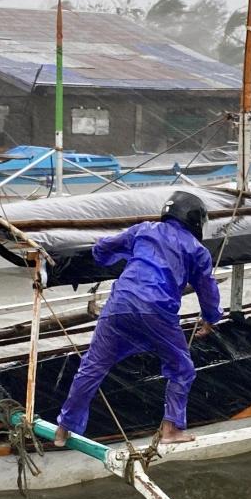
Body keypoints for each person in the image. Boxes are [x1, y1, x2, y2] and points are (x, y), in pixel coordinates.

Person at [54, 191, 221, 446]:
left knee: (92, 367)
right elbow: (207, 288)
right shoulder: (197, 250)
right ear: (196, 220)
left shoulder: (143, 230)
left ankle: (64, 428)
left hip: (119, 304)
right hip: (157, 309)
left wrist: (101, 258)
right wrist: (211, 318)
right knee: (182, 368)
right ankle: (171, 430)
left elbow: (103, 248)